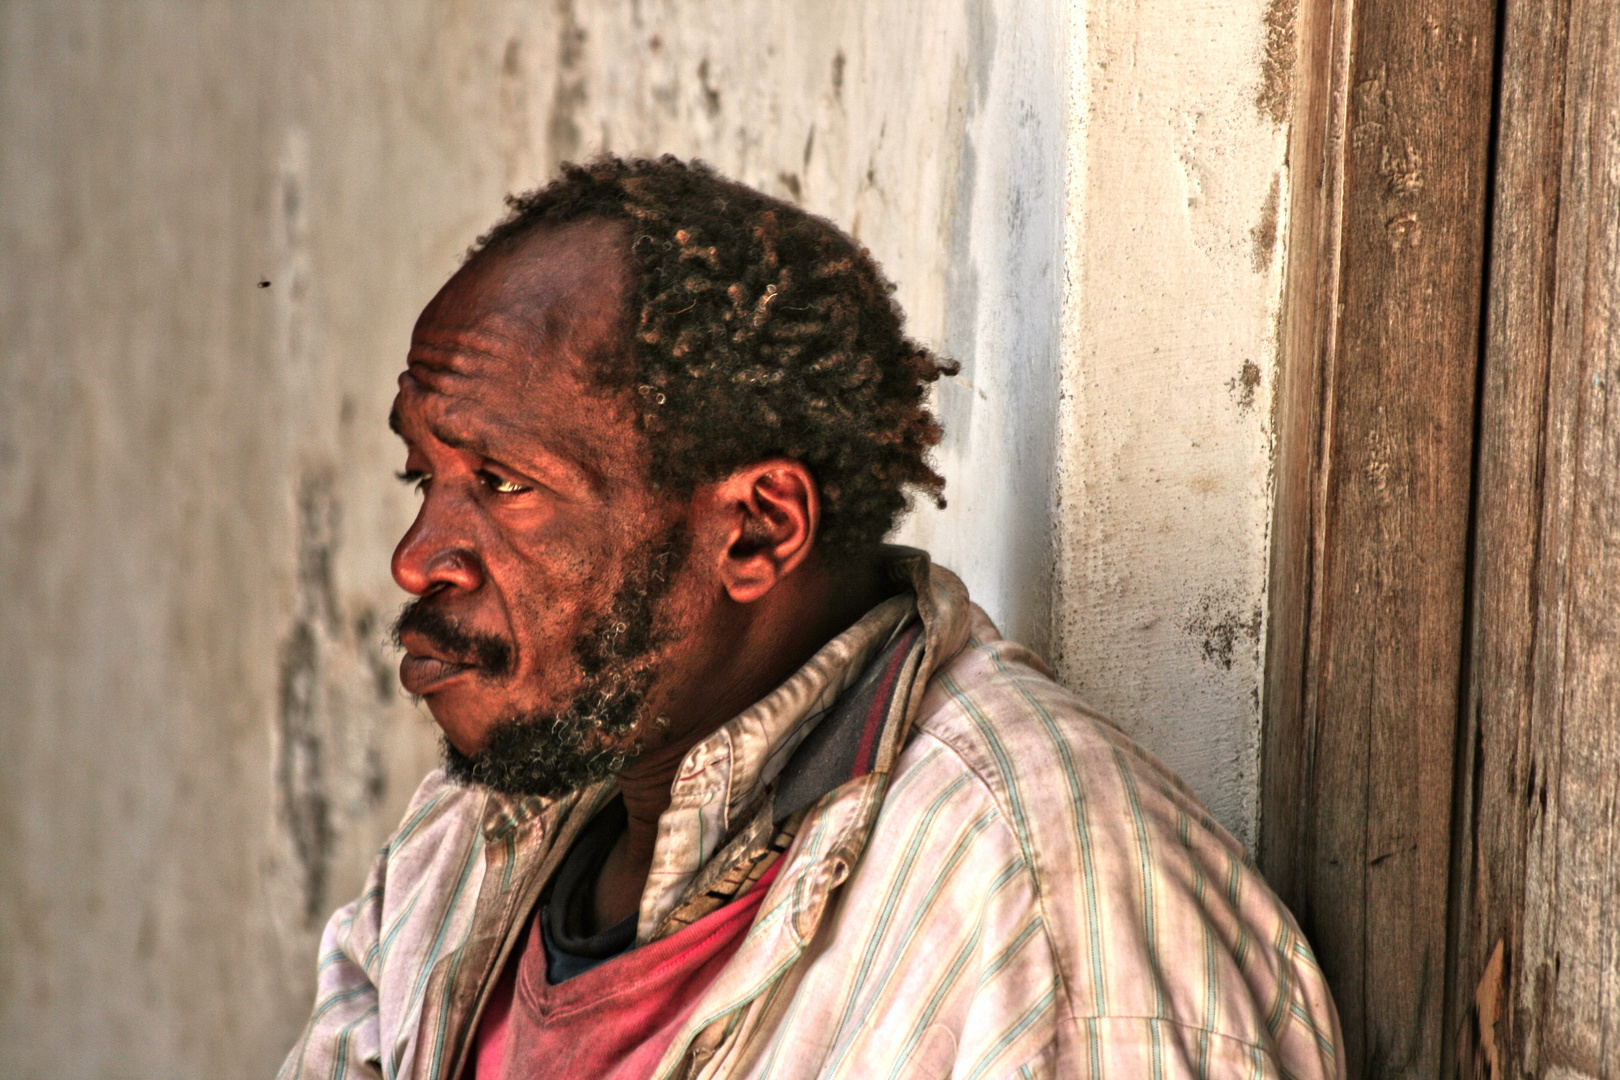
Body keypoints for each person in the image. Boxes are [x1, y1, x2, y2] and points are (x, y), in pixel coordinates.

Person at [279, 155, 1342, 1080]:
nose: (415, 558)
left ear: (754, 532)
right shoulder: (470, 843)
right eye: (425, 474)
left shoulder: (1043, 914)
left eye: (505, 486)